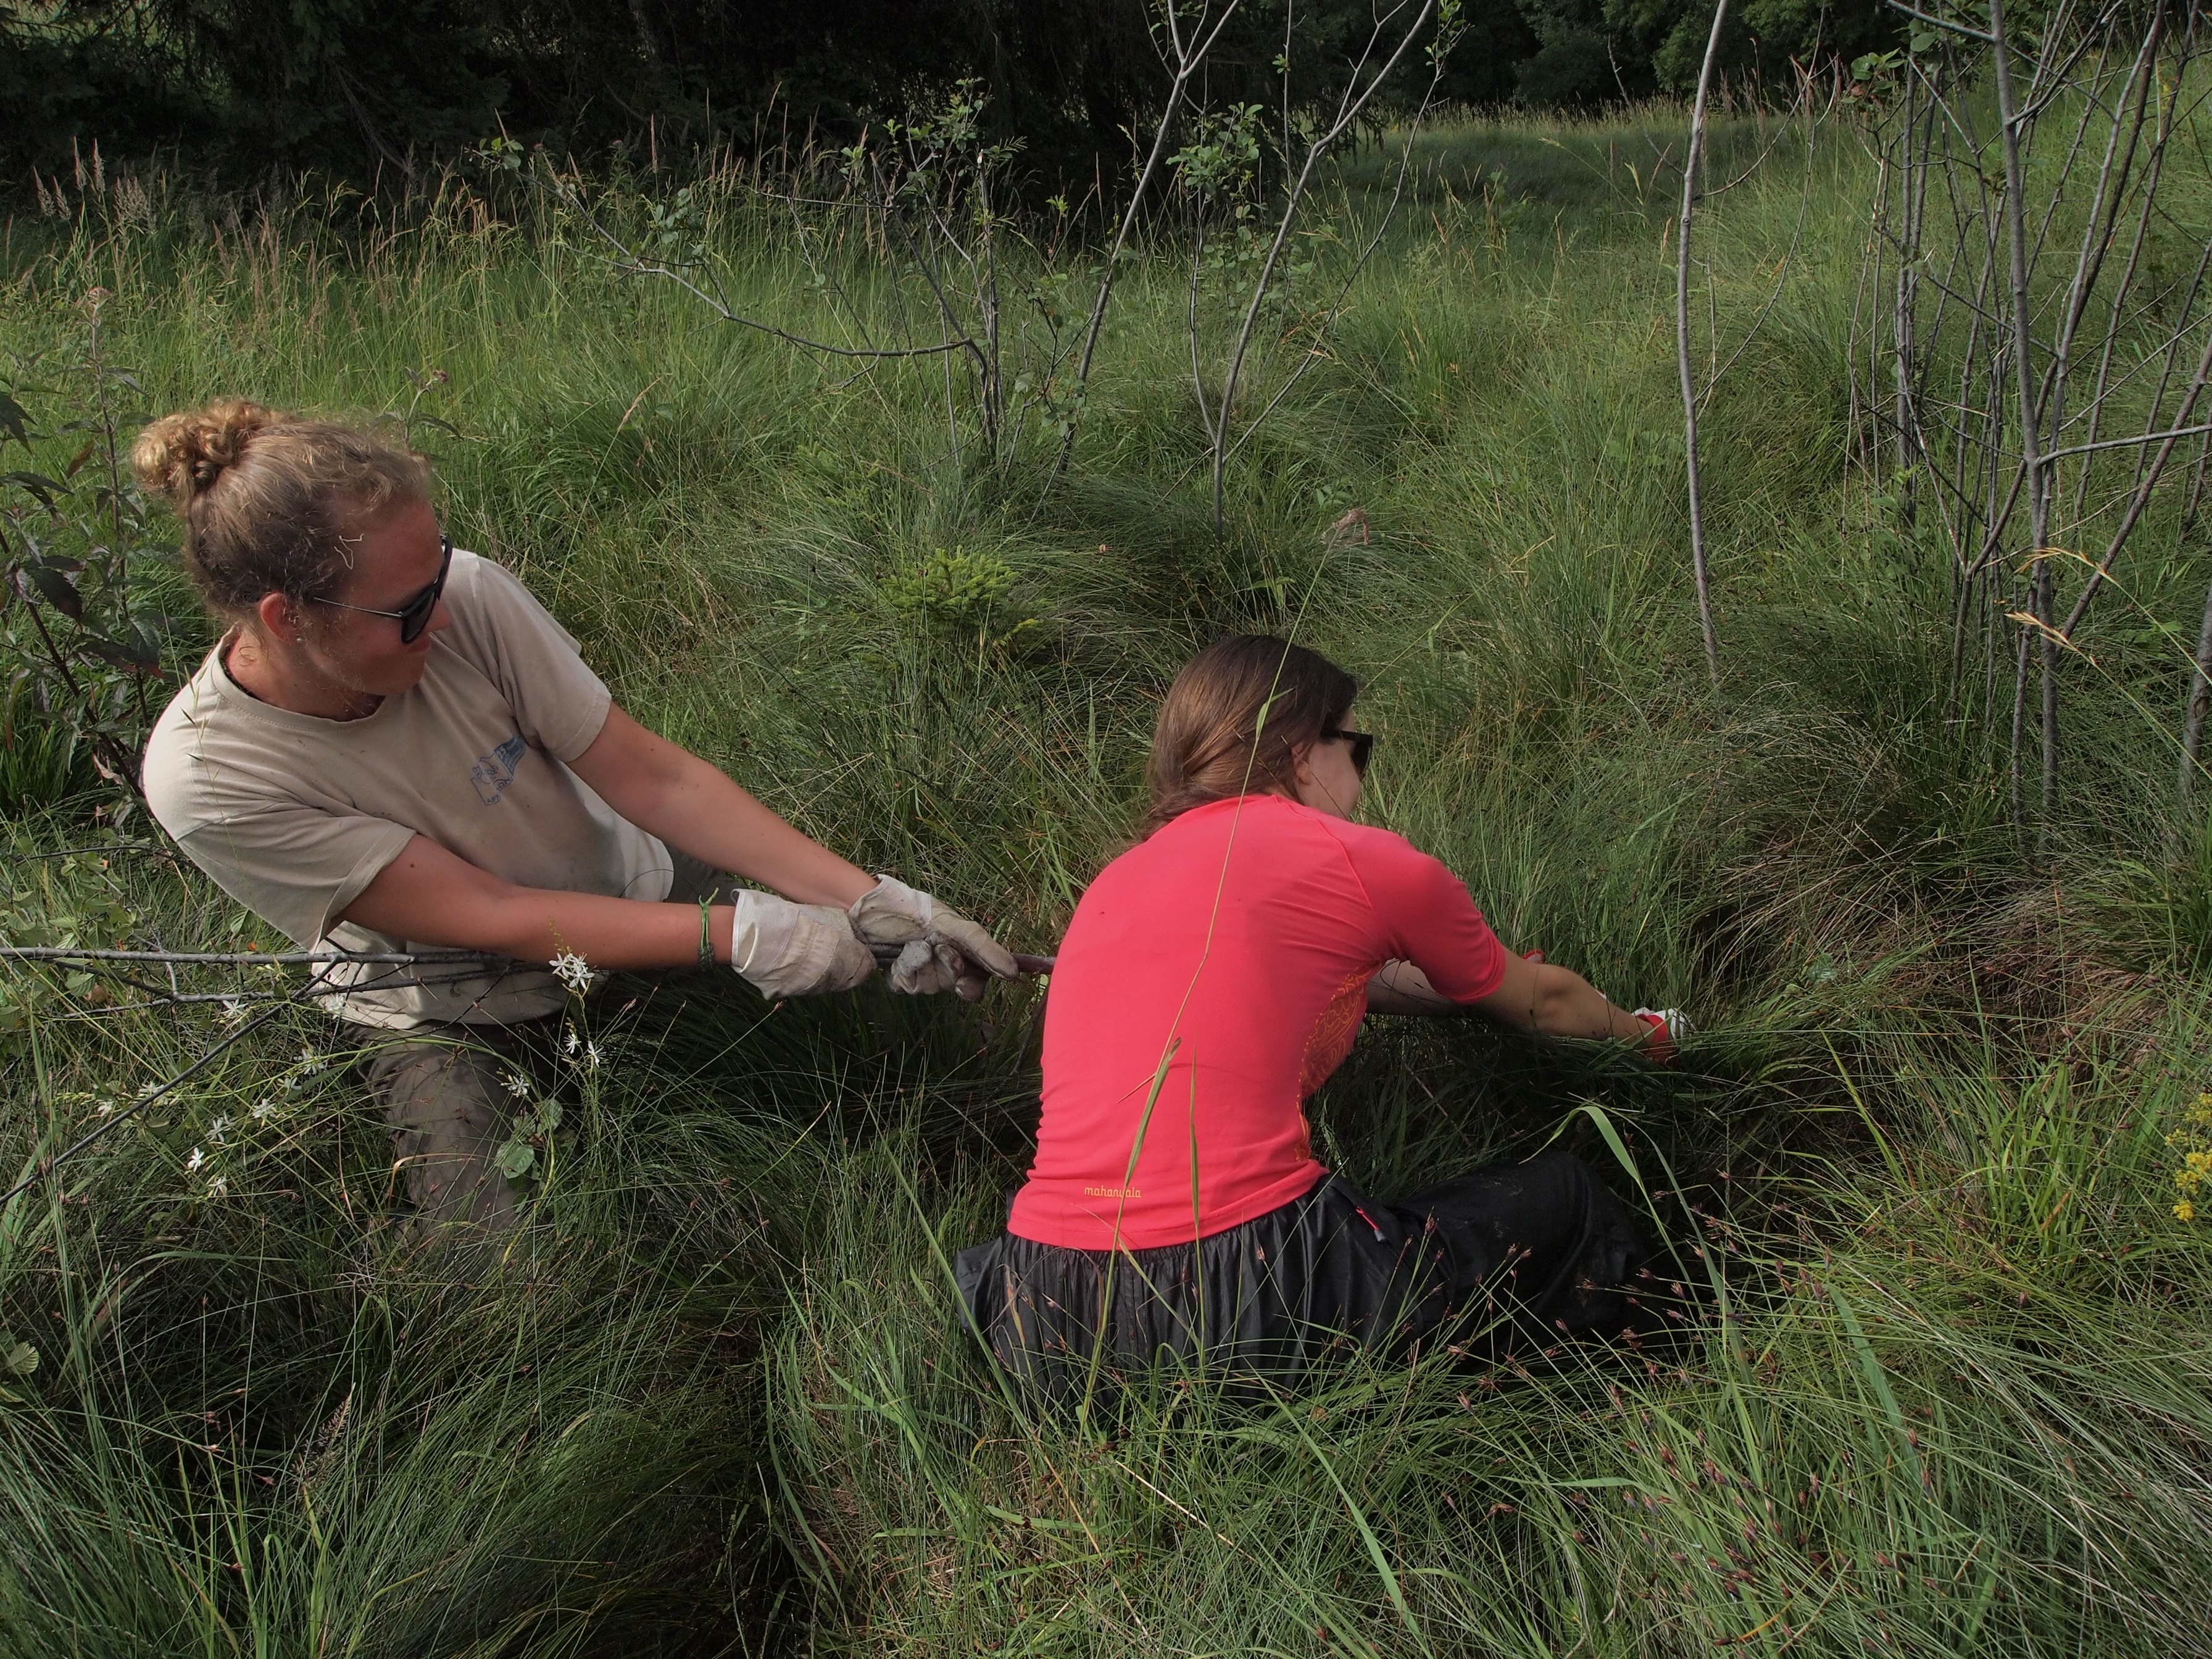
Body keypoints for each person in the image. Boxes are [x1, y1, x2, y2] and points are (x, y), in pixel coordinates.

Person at [135, 400, 1015, 1241]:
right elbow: (496, 918)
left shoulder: (467, 598)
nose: (441, 617)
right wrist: (740, 935)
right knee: (511, 1276)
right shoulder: (211, 776)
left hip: (623, 882)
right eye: (407, 610)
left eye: (437, 573)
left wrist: (872, 899)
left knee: (867, 1038)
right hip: (449, 1007)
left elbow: (656, 780)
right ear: (287, 621)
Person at [955, 634, 1690, 1402]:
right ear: (1303, 749)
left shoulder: (1116, 877)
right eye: (1357, 747)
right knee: (1566, 1198)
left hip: (1042, 1312)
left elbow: (1323, 980)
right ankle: (1646, 1387)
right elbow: (1545, 1002)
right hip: (1243, 1294)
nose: (1361, 779)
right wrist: (1649, 1037)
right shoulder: (1359, 858)